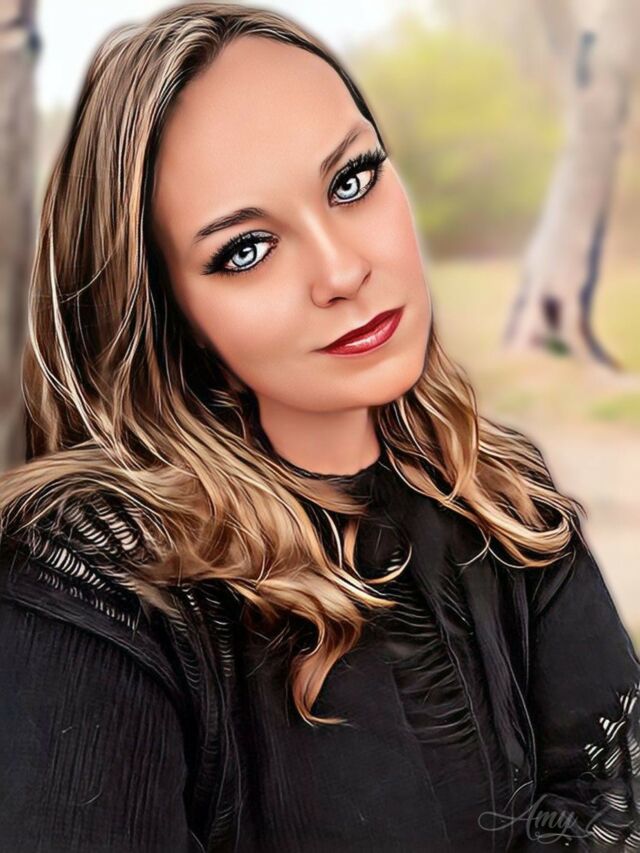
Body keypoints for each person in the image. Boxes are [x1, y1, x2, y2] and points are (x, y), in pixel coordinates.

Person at [0, 3, 638, 851]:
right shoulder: (91, 584)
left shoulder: (503, 491)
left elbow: (614, 800)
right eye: (246, 249)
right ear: (167, 309)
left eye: (351, 181)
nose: (342, 270)